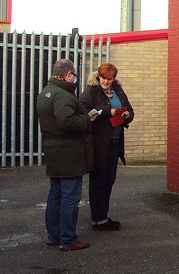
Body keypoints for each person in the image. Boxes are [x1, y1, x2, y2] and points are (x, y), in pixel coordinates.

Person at [36, 59, 95, 251]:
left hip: (53, 151)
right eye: (74, 75)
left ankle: (54, 235)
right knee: (70, 197)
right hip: (69, 154)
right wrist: (86, 118)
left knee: (55, 195)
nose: (74, 79)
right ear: (68, 75)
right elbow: (67, 123)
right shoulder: (64, 96)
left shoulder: (45, 92)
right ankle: (68, 239)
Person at [79, 63, 134, 231]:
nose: (106, 82)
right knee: (98, 181)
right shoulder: (90, 91)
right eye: (103, 78)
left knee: (109, 179)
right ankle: (98, 219)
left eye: (110, 79)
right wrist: (107, 111)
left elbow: (130, 111)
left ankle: (103, 216)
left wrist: (126, 115)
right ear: (98, 77)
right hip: (98, 143)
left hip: (115, 141)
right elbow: (85, 113)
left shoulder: (118, 90)